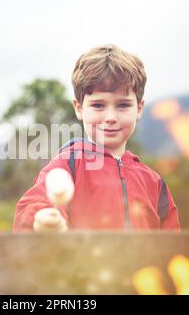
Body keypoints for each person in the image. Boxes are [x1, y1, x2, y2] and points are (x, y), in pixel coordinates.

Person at [13, 44, 180, 232]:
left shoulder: (153, 182)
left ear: (139, 109)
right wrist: (41, 218)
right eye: (98, 105)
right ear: (79, 108)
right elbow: (32, 206)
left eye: (123, 105)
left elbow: (173, 243)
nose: (110, 117)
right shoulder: (68, 164)